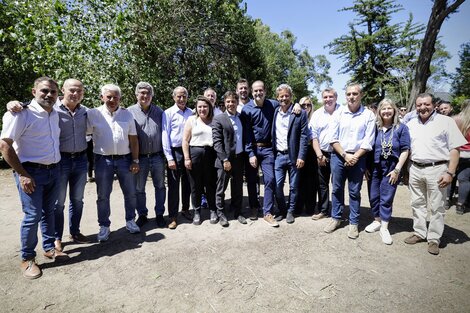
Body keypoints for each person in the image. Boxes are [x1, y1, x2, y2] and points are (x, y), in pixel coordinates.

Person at [6, 79, 91, 250]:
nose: (75, 94)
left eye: (79, 91)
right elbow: (6, 143)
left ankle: (71, 234)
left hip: (74, 162)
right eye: (71, 90)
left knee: (75, 201)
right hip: (54, 163)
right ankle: (52, 241)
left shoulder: (84, 112)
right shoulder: (46, 110)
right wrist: (12, 104)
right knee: (51, 207)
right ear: (63, 92)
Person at [0, 77, 68, 279]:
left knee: (49, 212)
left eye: (53, 92)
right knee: (32, 216)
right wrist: (22, 174)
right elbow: (5, 145)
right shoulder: (21, 114)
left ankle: (49, 248)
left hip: (53, 170)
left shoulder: (55, 113)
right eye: (44, 91)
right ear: (33, 92)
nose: (48, 95)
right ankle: (27, 259)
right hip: (31, 173)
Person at [404, 93, 466, 255]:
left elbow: (455, 149)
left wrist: (450, 173)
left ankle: (433, 239)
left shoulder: (446, 122)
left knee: (437, 206)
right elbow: (407, 149)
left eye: (426, 104)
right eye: (419, 105)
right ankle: (419, 232)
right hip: (415, 168)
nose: (423, 108)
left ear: (434, 105)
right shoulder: (411, 123)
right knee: (417, 203)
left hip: (438, 169)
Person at [87, 84, 141, 242]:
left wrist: (135, 160)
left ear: (120, 98)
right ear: (102, 97)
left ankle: (130, 221)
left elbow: (133, 139)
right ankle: (104, 225)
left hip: (125, 160)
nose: (112, 100)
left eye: (115, 97)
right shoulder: (93, 114)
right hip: (103, 160)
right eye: (108, 96)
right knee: (103, 195)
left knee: (130, 193)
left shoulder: (127, 115)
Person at [324, 83, 376, 239]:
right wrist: (345, 155)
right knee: (337, 189)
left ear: (361, 95)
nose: (352, 97)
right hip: (339, 156)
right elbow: (332, 138)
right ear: (345, 96)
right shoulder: (338, 113)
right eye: (349, 94)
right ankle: (336, 218)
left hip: (358, 158)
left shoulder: (368, 115)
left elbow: (368, 141)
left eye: (355, 94)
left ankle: (353, 223)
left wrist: (355, 156)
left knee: (354, 191)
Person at [366, 99, 410, 245]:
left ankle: (384, 227)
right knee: (373, 196)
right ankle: (377, 220)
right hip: (375, 166)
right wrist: (366, 166)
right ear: (379, 111)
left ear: (394, 110)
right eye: (383, 108)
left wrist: (397, 169)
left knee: (386, 197)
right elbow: (368, 146)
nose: (386, 111)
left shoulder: (401, 128)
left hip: (391, 168)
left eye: (389, 108)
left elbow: (405, 150)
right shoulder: (375, 127)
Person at [240, 80, 280, 227]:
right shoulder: (247, 109)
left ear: (265, 91)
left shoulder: (273, 105)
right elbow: (247, 134)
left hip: (268, 149)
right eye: (255, 91)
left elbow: (286, 106)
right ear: (252, 92)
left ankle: (267, 212)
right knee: (252, 180)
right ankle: (254, 207)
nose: (258, 93)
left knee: (270, 179)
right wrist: (250, 153)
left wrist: (296, 105)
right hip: (253, 149)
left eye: (260, 90)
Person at [128, 82, 166, 228]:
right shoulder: (129, 112)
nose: (145, 96)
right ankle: (142, 214)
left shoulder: (159, 112)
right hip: (140, 158)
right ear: (136, 94)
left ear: (152, 96)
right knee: (139, 188)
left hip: (157, 156)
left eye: (148, 93)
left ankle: (160, 214)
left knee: (160, 186)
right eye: (142, 93)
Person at [272, 84, 309, 224]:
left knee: (294, 187)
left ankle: (290, 211)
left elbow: (304, 137)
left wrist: (301, 156)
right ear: (277, 98)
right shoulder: (275, 112)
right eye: (281, 96)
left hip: (294, 156)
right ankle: (281, 209)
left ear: (291, 97)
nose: (284, 98)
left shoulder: (299, 113)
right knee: (277, 185)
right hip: (279, 156)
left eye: (287, 96)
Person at [212, 91, 247, 225]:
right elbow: (217, 142)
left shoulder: (241, 117)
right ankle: (221, 214)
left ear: (237, 102)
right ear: (224, 103)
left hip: (239, 158)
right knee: (221, 188)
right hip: (225, 160)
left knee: (238, 187)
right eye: (228, 102)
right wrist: (224, 159)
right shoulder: (219, 119)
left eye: (233, 101)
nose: (230, 104)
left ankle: (238, 212)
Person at [182, 96, 218, 225]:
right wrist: (187, 158)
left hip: (211, 155)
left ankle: (213, 210)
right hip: (195, 155)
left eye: (205, 106)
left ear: (210, 108)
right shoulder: (192, 120)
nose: (202, 109)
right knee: (195, 186)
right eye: (200, 106)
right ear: (196, 108)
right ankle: (197, 211)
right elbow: (185, 140)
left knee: (210, 184)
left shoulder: (214, 120)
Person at [162, 86, 194, 229]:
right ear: (174, 97)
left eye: (184, 96)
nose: (181, 99)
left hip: (189, 151)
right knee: (174, 185)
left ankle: (186, 209)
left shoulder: (192, 113)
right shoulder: (168, 113)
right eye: (179, 96)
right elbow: (165, 135)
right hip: (174, 152)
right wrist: (169, 157)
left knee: (188, 182)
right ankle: (173, 216)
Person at [310, 88, 342, 220]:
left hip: (339, 153)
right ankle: (324, 210)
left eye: (331, 97)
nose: (328, 99)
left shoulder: (343, 112)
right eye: (325, 97)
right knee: (322, 184)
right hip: (322, 153)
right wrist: (319, 154)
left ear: (336, 97)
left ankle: (337, 211)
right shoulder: (317, 114)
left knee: (337, 184)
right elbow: (313, 136)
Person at [236, 78, 261, 219]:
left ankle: (254, 206)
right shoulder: (232, 104)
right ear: (237, 90)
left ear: (249, 90)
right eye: (241, 88)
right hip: (238, 149)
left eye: (245, 88)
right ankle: (237, 207)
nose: (243, 90)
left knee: (253, 178)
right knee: (237, 180)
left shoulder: (255, 104)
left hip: (252, 147)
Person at [295, 96, 318, 216]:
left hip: (312, 151)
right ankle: (298, 207)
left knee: (311, 181)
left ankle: (310, 207)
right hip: (299, 151)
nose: (306, 107)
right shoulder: (297, 116)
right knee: (299, 180)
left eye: (308, 105)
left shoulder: (315, 118)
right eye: (303, 105)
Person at [453, 99, 470, 214]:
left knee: (451, 176)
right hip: (468, 154)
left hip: (456, 152)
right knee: (464, 180)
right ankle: (460, 204)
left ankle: (447, 200)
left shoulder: (455, 120)